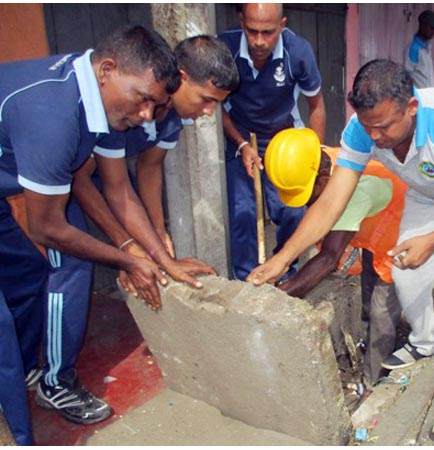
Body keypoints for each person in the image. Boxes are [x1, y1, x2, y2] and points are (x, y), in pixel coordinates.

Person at [247, 59, 434, 444]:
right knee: (404, 269)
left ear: (411, 107)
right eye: (368, 126)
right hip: (430, 191)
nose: (375, 137)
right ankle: (424, 341)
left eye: (385, 126)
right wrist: (281, 260)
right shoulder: (362, 130)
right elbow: (331, 203)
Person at [0, 25, 213, 446]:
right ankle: (21, 424)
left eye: (156, 104)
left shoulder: (106, 104)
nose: (147, 115)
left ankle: (26, 370)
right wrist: (128, 259)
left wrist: (163, 260)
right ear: (108, 69)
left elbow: (118, 190)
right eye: (143, 99)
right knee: (1, 330)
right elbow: (46, 227)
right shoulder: (53, 114)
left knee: (27, 275)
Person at [264, 128, 406, 386]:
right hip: (377, 221)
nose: (306, 204)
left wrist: (280, 293)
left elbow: (329, 258)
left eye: (307, 195)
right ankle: (367, 349)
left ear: (322, 178)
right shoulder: (319, 159)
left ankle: (374, 380)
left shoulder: (353, 191)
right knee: (368, 295)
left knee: (381, 310)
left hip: (399, 232)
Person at [219, 3, 326, 281]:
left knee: (293, 210)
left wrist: (314, 157)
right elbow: (215, 105)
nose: (259, 41)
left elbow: (316, 105)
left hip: (285, 141)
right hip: (241, 138)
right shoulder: (225, 49)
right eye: (252, 31)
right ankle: (246, 280)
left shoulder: (297, 52)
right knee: (243, 212)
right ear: (241, 21)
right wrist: (241, 144)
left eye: (267, 32)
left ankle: (284, 271)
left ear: (282, 25)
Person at [405, 9, 434, 88]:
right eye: (432, 28)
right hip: (419, 94)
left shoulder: (427, 47)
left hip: (428, 93)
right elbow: (407, 76)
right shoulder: (414, 48)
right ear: (423, 26)